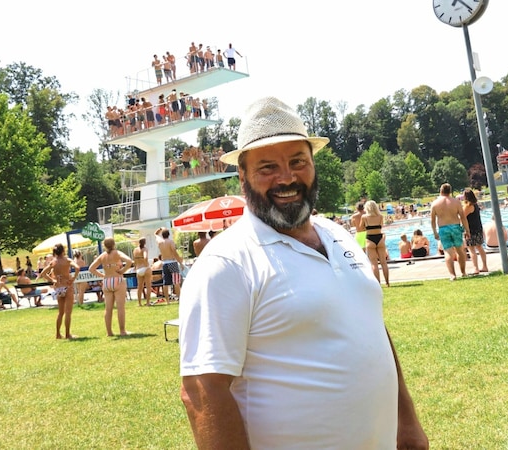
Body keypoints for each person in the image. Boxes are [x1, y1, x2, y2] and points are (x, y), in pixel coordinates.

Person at [178, 97, 427, 449]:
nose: (287, 177)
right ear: (243, 176)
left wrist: (408, 421)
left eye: (298, 162)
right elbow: (202, 391)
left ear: (313, 164)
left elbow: (371, 326)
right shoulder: (228, 262)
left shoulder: (338, 234)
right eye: (267, 168)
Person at [89, 238, 134, 337]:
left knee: (108, 308)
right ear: (114, 244)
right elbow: (129, 261)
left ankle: (109, 332)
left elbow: (91, 268)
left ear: (104, 245)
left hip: (107, 281)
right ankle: (122, 331)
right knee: (120, 307)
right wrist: (123, 270)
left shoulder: (102, 256)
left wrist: (102, 275)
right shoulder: (117, 253)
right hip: (117, 279)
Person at [41, 243, 81, 339]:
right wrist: (73, 278)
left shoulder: (53, 262)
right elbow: (77, 267)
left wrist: (53, 280)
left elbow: (43, 273)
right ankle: (67, 334)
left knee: (60, 312)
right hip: (67, 286)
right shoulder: (67, 260)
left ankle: (58, 334)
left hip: (58, 287)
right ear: (63, 251)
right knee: (68, 312)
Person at [431, 183, 470, 281]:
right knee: (460, 251)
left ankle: (452, 275)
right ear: (450, 191)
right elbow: (463, 217)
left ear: (441, 191)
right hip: (455, 227)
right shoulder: (456, 202)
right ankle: (463, 272)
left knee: (448, 252)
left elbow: (432, 220)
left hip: (443, 228)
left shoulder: (435, 203)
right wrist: (467, 230)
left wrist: (435, 232)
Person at [360, 200, 391, 287]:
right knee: (383, 262)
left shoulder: (364, 217)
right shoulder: (380, 216)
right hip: (380, 238)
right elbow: (381, 226)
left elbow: (361, 228)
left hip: (370, 239)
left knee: (374, 264)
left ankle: (378, 284)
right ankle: (387, 282)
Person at [462, 189, 488, 274]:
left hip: (470, 230)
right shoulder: (475, 205)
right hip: (478, 228)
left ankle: (475, 268)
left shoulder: (468, 206)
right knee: (480, 248)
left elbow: (462, 217)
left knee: (471, 249)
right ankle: (485, 266)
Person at [155, 227, 184, 300]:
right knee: (176, 281)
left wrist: (160, 229)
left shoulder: (160, 242)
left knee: (165, 283)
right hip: (172, 262)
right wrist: (180, 263)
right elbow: (174, 252)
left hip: (165, 263)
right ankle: (179, 298)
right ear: (169, 234)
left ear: (163, 235)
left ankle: (167, 301)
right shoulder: (170, 242)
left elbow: (155, 234)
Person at [132, 238, 152, 307]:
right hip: (145, 268)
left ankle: (139, 303)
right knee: (148, 286)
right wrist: (146, 263)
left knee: (139, 287)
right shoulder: (144, 249)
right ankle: (148, 302)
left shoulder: (135, 250)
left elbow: (134, 260)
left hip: (138, 268)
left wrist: (135, 267)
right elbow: (145, 257)